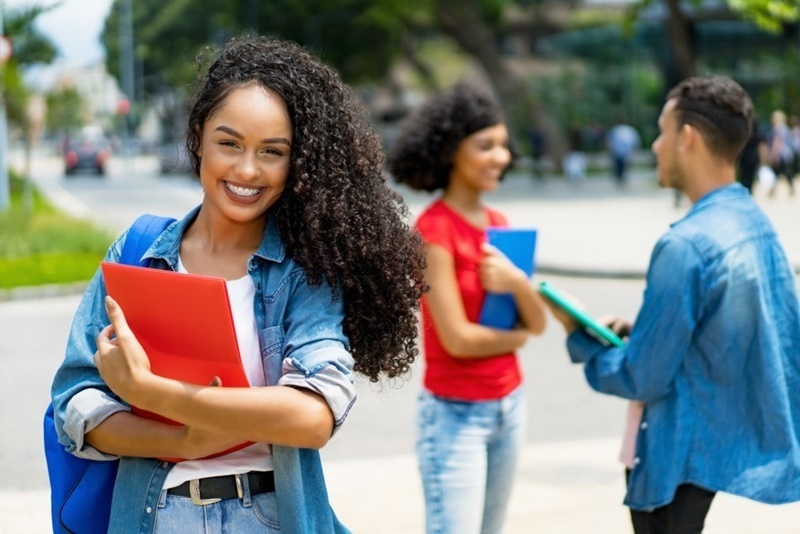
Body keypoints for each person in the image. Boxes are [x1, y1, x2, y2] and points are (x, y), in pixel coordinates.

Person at [49, 35, 426, 533]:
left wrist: (154, 394)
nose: (247, 170)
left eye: (272, 152)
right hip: (155, 518)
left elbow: (314, 415)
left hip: (268, 515)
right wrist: (184, 442)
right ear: (199, 135)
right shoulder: (137, 252)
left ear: (297, 164)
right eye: (229, 143)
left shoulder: (303, 271)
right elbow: (75, 405)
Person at [545, 75, 800, 533]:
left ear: (687, 137)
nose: (656, 145)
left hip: (677, 458)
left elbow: (641, 375)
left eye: (662, 131)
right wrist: (638, 333)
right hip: (715, 452)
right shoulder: (753, 221)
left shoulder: (685, 245)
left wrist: (579, 335)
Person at [387, 82, 548, 534]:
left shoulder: (500, 226)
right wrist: (515, 336)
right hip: (455, 417)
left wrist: (516, 283)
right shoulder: (433, 231)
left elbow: (537, 322)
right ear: (449, 151)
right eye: (485, 146)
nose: (501, 156)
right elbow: (458, 339)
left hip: (509, 407)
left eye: (503, 145)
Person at [768, 109, 796, 196]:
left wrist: (774, 154)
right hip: (787, 154)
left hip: (781, 154)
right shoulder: (785, 128)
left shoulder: (777, 128)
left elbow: (777, 142)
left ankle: (773, 189)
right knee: (782, 172)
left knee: (779, 172)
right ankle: (775, 189)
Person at [606, 119, 641, 186]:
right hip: (627, 151)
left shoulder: (615, 130)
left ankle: (619, 178)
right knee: (624, 165)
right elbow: (635, 141)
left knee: (618, 165)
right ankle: (622, 177)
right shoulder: (630, 130)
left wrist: (610, 150)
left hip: (617, 151)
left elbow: (609, 141)